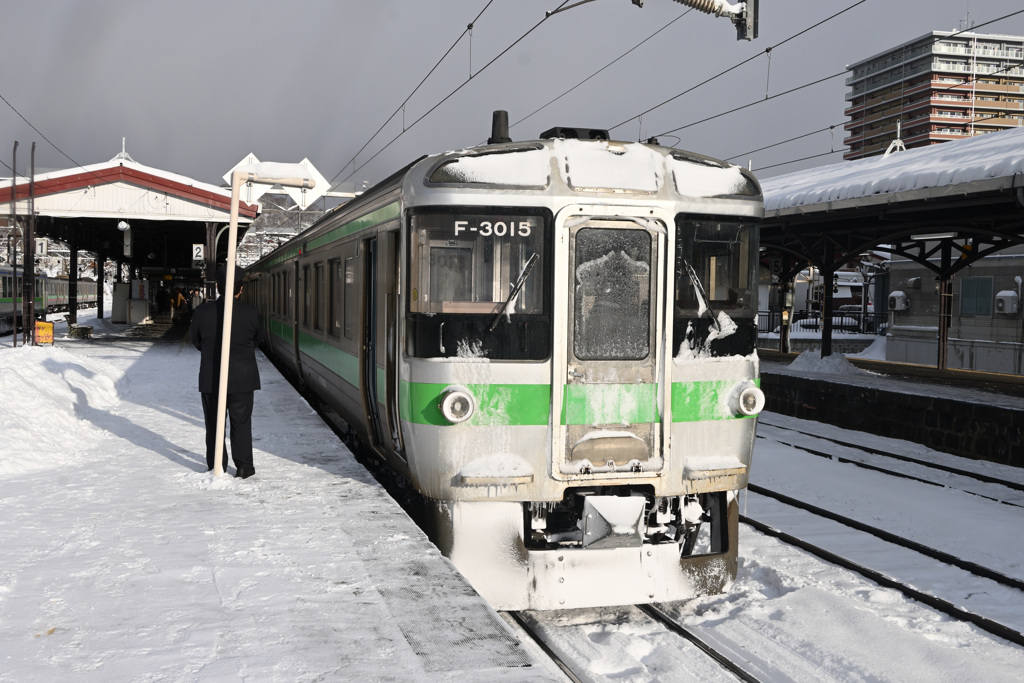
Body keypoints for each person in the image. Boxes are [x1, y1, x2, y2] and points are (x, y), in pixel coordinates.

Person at [189, 265, 265, 478]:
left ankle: (217, 465)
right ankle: (244, 466)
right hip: (243, 378)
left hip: (211, 378)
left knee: (214, 423)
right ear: (240, 289)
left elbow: (196, 341)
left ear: (219, 288)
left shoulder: (202, 312)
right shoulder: (251, 312)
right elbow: (257, 340)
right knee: (241, 423)